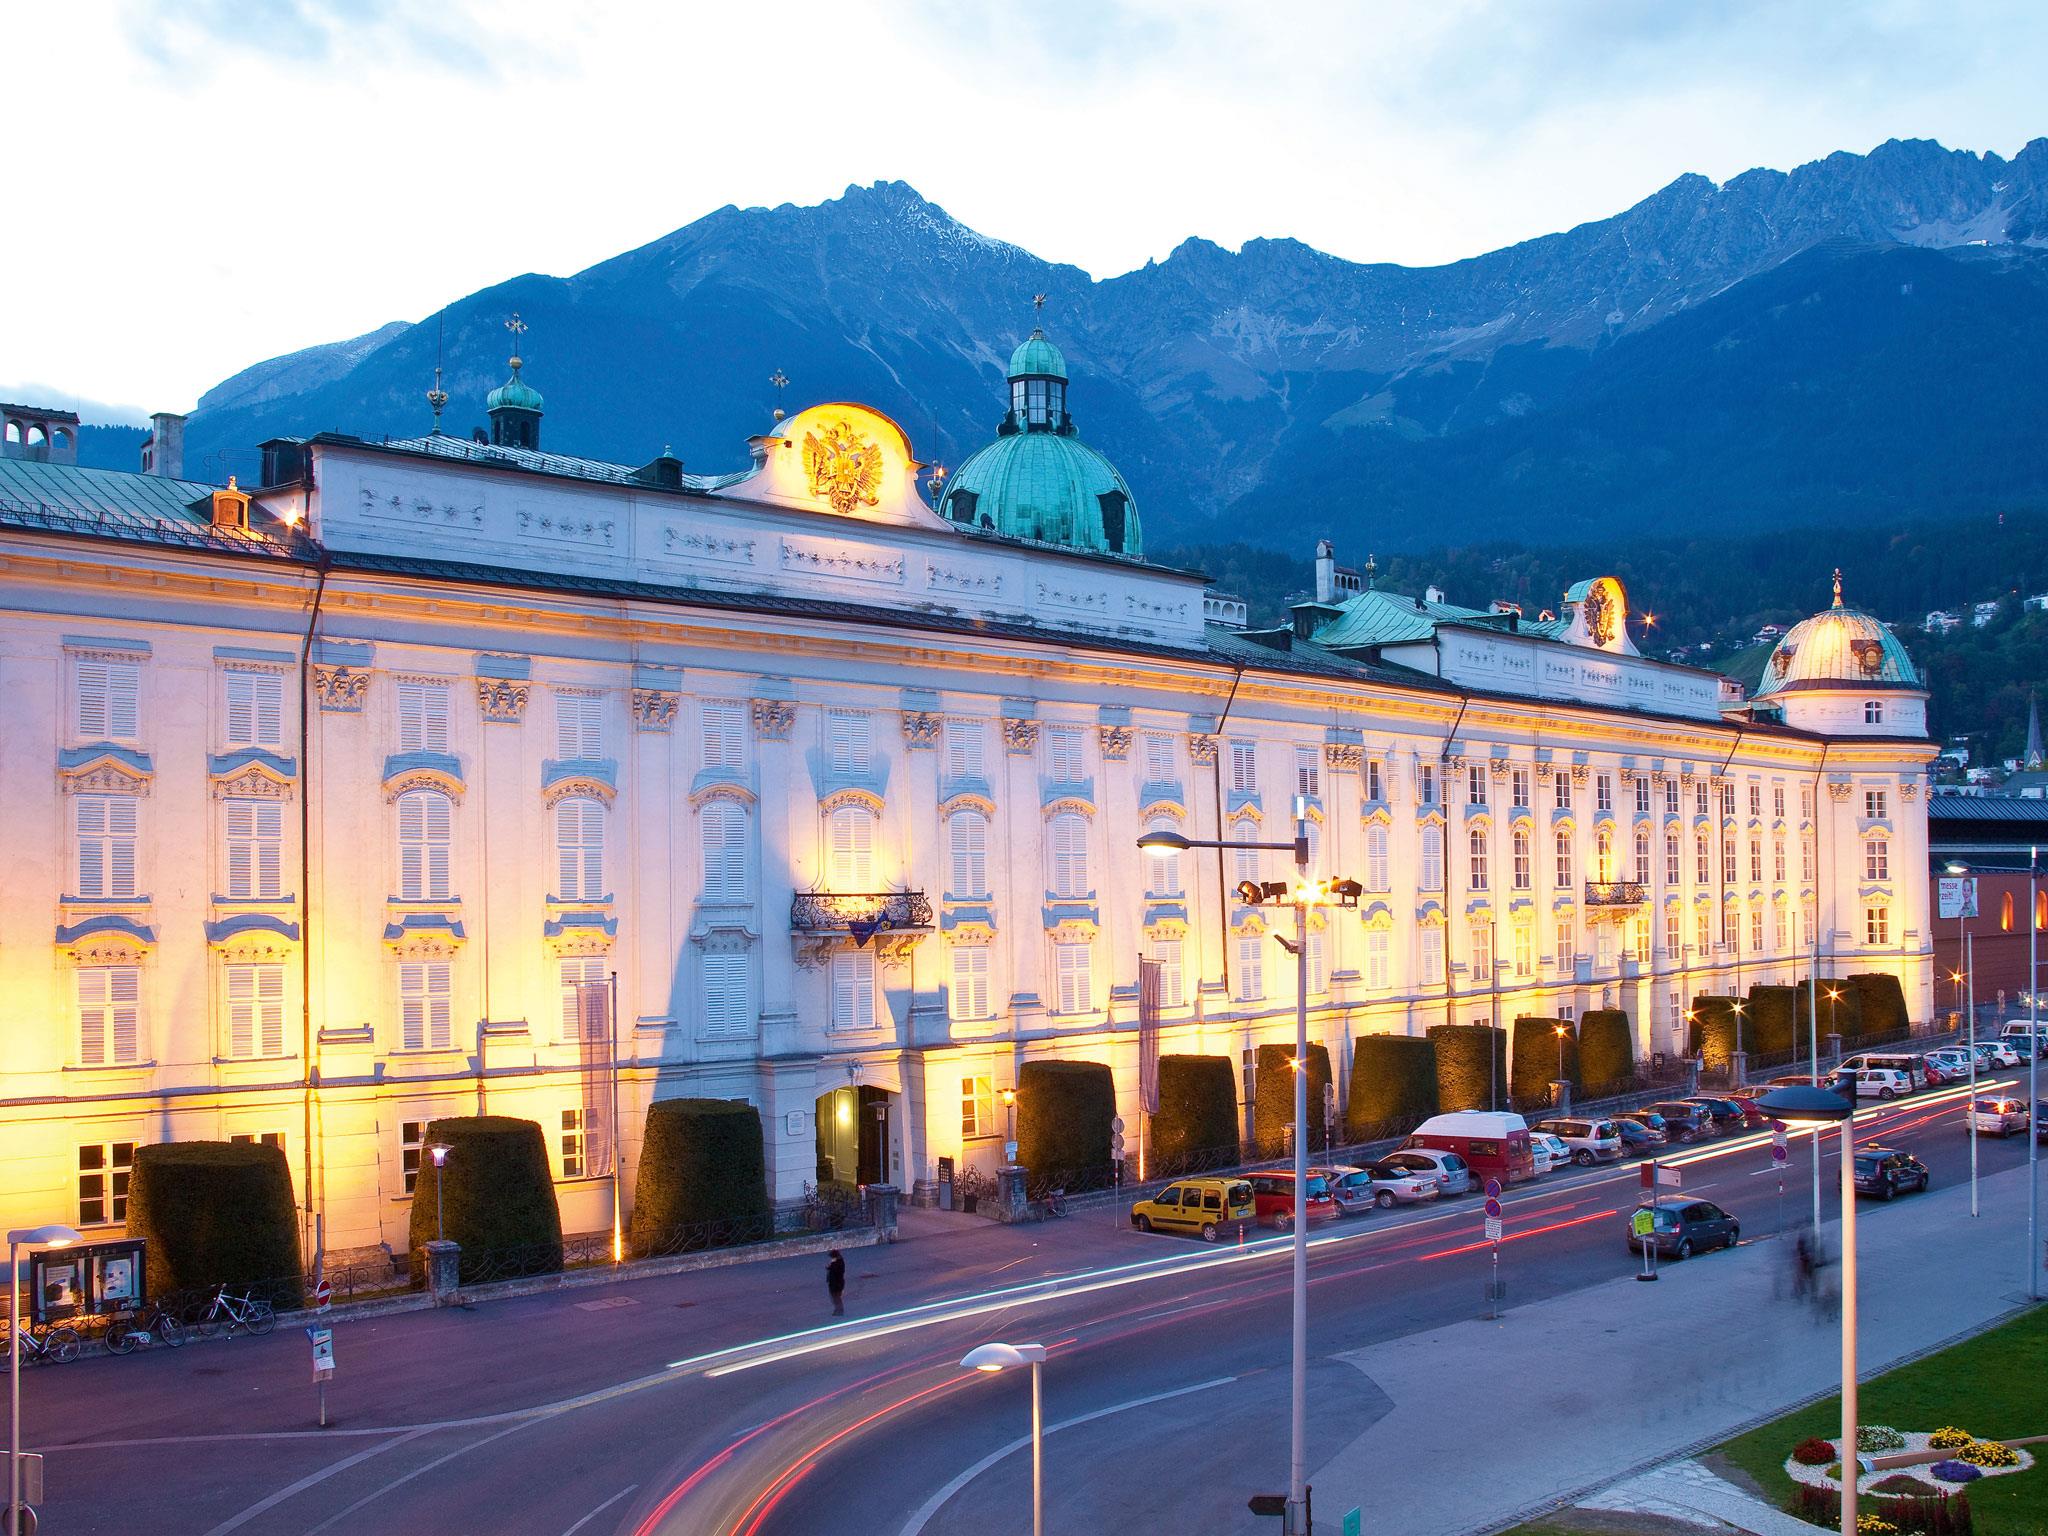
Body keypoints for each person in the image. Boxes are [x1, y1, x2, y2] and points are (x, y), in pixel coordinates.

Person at [826, 1249, 846, 1316]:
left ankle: (839, 1310)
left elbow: (835, 1271)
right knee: (836, 1297)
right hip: (836, 1282)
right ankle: (838, 1309)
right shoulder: (838, 1261)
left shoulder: (837, 1262)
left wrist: (830, 1267)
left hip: (836, 1283)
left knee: (836, 1297)